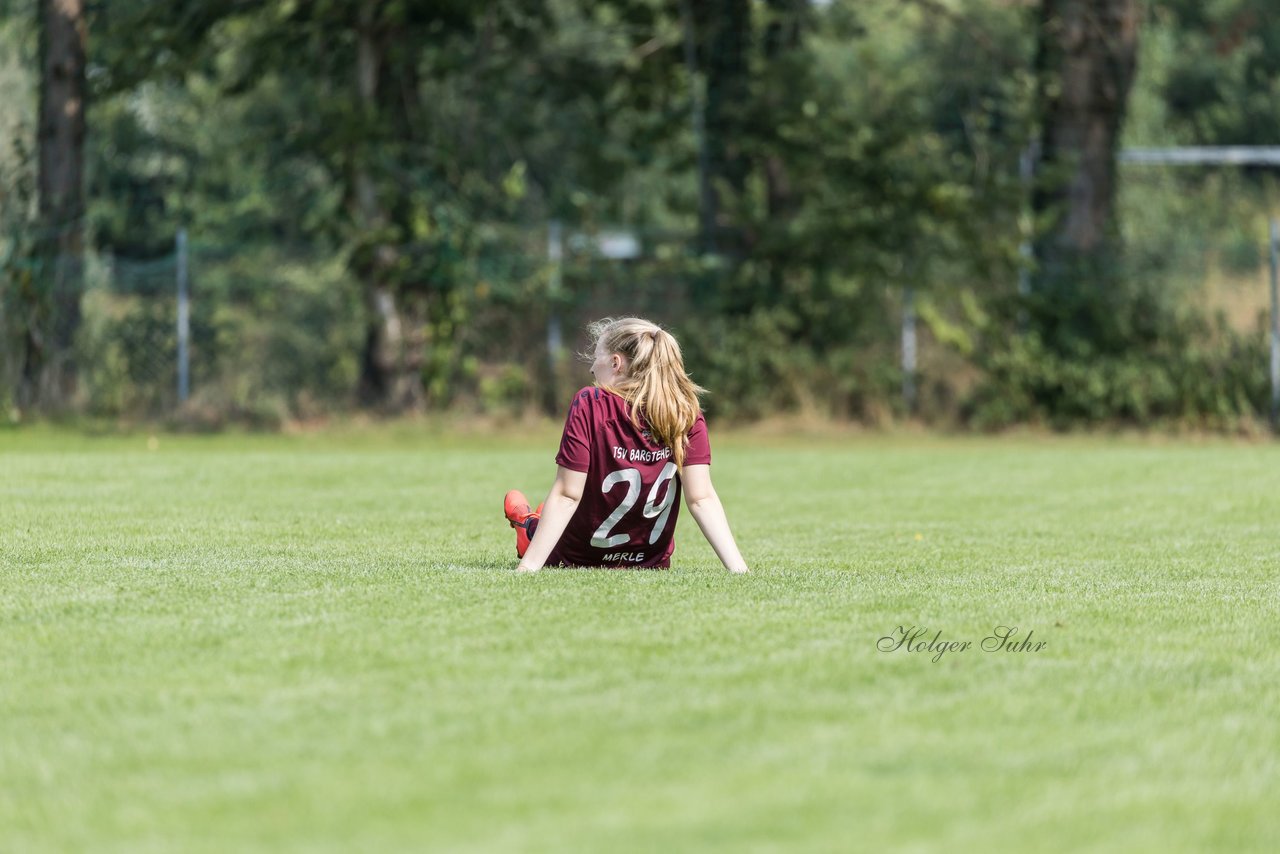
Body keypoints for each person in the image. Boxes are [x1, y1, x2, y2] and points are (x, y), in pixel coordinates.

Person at [504, 317, 749, 574]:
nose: (591, 369)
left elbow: (567, 494)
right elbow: (701, 498)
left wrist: (528, 568)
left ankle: (528, 525)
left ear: (615, 363)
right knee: (555, 515)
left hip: (575, 556)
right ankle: (535, 521)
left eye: (596, 357)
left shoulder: (590, 403)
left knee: (545, 522)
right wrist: (739, 570)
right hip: (650, 563)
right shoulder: (686, 413)